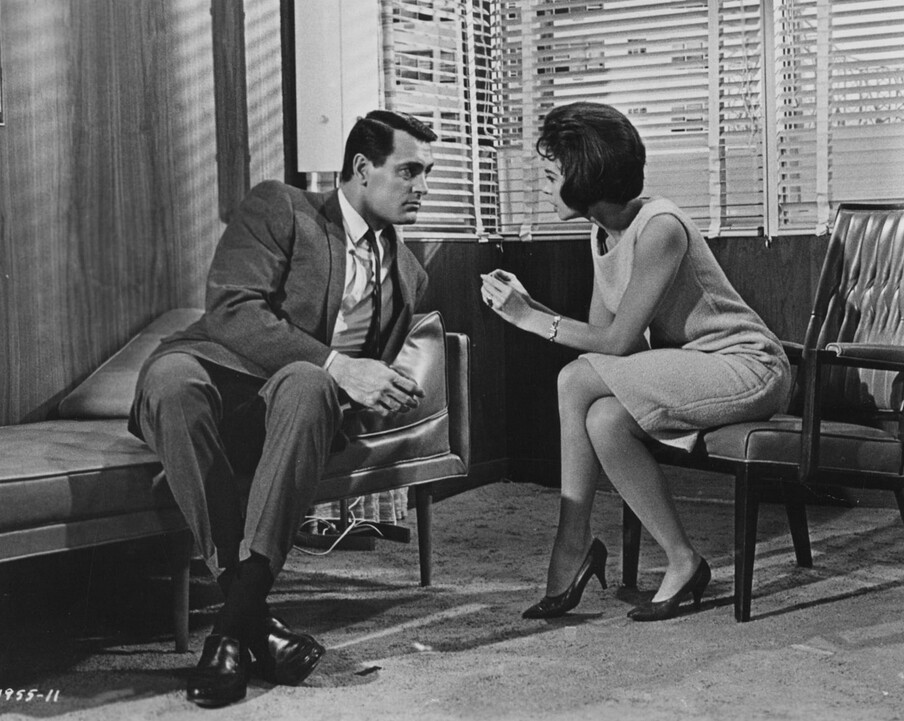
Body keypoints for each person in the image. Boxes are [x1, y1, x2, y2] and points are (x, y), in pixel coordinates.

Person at [129, 109, 437, 706]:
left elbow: (348, 383)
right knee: (171, 382)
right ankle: (256, 625)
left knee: (307, 383)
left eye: (427, 173)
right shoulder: (283, 207)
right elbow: (233, 309)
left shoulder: (408, 274)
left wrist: (356, 381)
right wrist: (341, 366)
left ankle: (229, 632)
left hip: (292, 402)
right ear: (362, 168)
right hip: (212, 373)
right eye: (409, 171)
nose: (422, 186)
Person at [480, 102, 791, 623]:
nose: (542, 187)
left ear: (585, 177)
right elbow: (605, 343)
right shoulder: (601, 232)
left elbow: (617, 342)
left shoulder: (660, 227)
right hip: (694, 367)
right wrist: (530, 307)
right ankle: (683, 559)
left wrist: (528, 319)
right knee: (604, 418)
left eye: (551, 176)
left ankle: (572, 542)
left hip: (749, 367)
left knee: (574, 379)